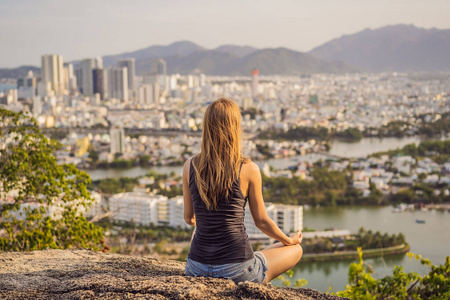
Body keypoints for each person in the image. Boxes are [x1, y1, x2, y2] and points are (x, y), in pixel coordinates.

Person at [183, 98, 303, 285]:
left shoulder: (190, 166)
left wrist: (207, 224)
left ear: (206, 128)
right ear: (235, 128)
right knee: (295, 249)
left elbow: (189, 218)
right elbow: (261, 221)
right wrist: (290, 240)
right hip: (237, 270)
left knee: (200, 231)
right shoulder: (248, 168)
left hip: (195, 267)